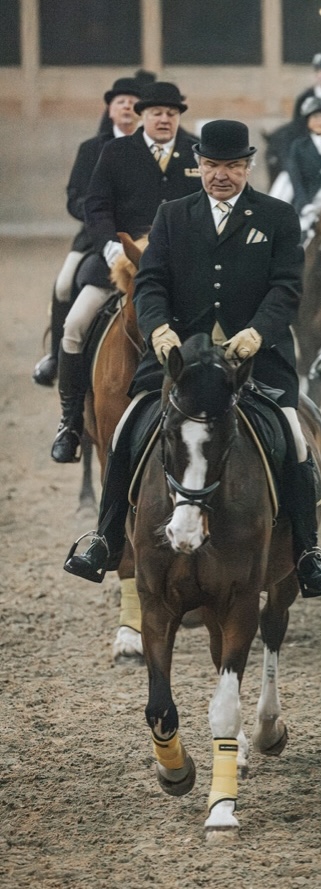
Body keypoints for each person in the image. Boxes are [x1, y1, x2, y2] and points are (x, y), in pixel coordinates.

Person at [64, 118, 321, 599]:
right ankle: (106, 539)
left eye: (231, 166)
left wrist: (257, 334)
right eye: (211, 165)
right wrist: (159, 327)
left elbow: (288, 288)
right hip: (181, 360)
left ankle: (307, 551)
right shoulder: (172, 215)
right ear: (199, 166)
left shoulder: (277, 217)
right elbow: (152, 280)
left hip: (257, 359)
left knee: (296, 440)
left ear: (246, 167)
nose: (220, 174)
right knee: (124, 432)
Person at [50, 80, 201, 464]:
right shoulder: (115, 152)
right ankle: (69, 423)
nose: (164, 119)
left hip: (181, 267)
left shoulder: (196, 153)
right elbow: (96, 206)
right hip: (121, 262)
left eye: (171, 113)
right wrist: (110, 244)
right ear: (142, 116)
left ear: (179, 115)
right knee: (75, 326)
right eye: (156, 113)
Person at [32, 77, 142, 386]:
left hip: (140, 238)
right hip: (95, 236)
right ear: (110, 110)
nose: (128, 107)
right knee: (65, 284)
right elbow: (74, 196)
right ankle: (55, 356)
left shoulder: (150, 150)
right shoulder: (91, 149)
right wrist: (96, 217)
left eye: (134, 102)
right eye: (121, 102)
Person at [287, 95, 321, 238]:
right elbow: (296, 179)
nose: (318, 121)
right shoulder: (299, 147)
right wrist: (305, 204)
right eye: (314, 117)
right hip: (309, 202)